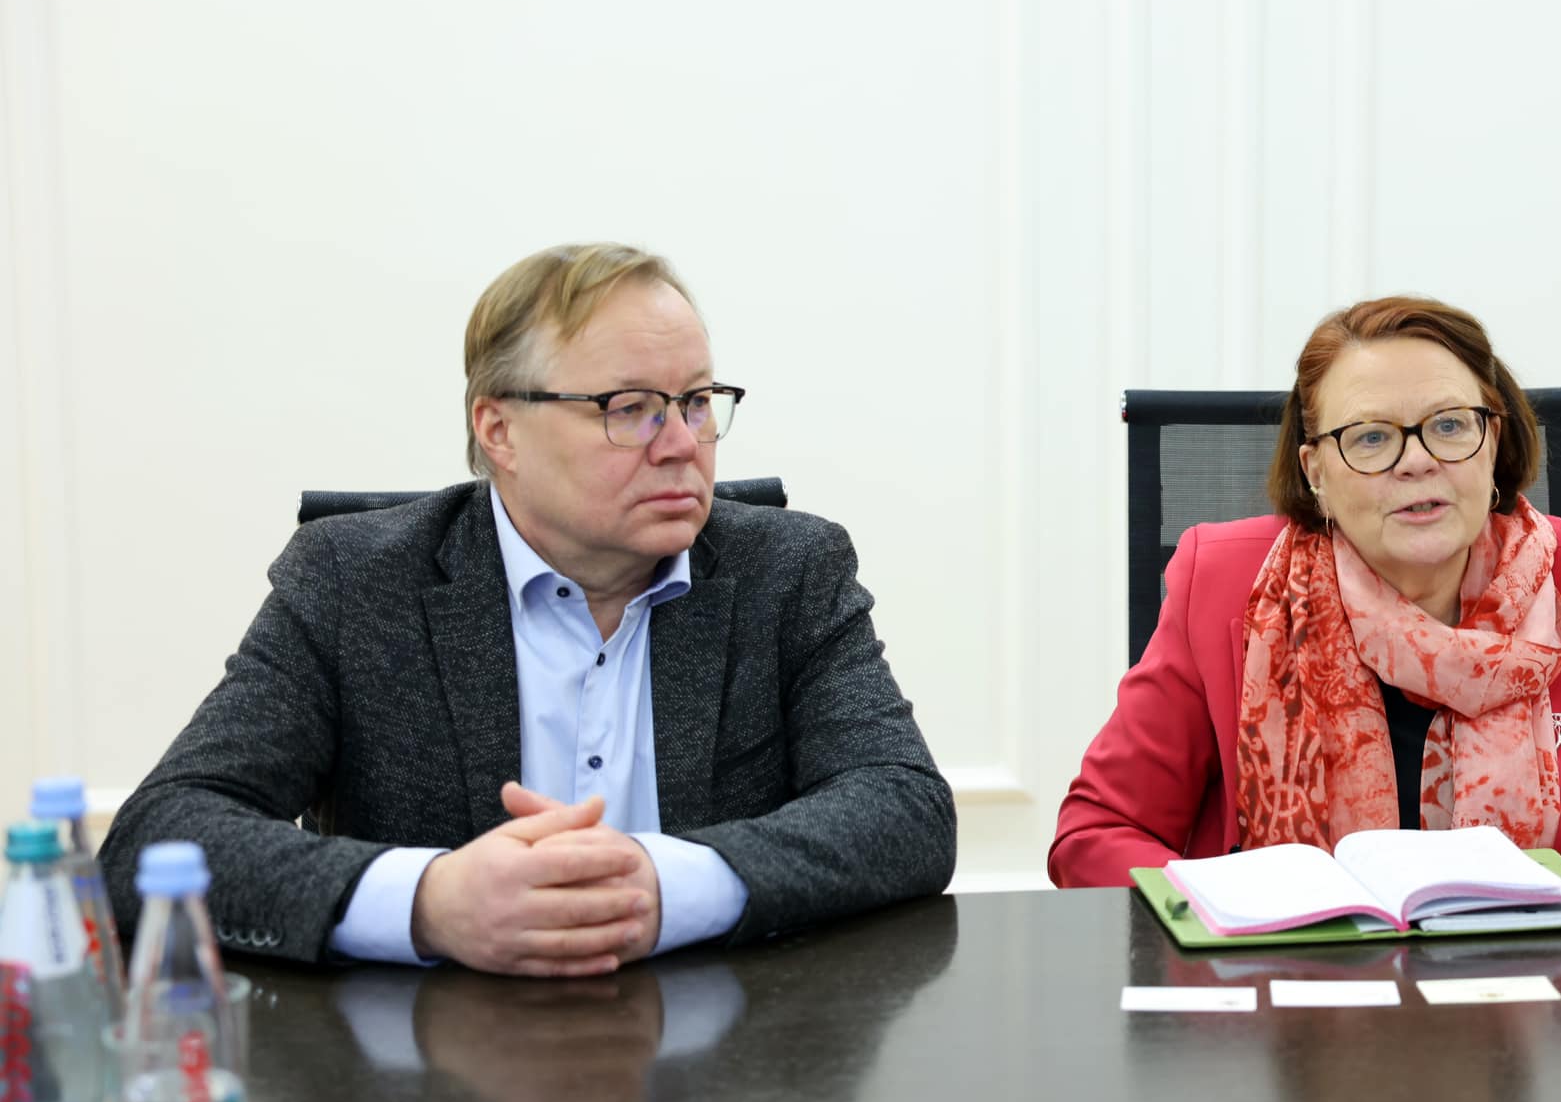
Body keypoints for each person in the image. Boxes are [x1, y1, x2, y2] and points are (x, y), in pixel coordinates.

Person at [101, 242, 955, 975]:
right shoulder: (354, 584)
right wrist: (429, 901)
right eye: (629, 408)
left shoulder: (789, 571)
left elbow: (905, 808)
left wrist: (664, 884)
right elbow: (158, 838)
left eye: (697, 402)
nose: (681, 443)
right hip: (428, 1078)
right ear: (499, 431)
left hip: (728, 1063)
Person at [1049, 296, 1561, 885]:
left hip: (1543, 990)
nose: (1417, 461)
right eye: (1370, 437)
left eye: (1449, 426)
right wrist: (1229, 910)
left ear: (1494, 444)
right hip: (1292, 986)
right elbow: (1098, 834)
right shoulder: (1223, 582)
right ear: (1316, 472)